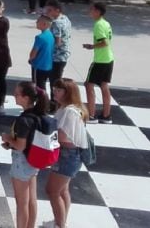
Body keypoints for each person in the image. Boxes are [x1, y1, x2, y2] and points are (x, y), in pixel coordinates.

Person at [1, 82, 49, 228]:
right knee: (31, 199)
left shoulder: (24, 120)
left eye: (17, 94)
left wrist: (7, 138)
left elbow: (20, 146)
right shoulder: (39, 113)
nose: (14, 96)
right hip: (33, 160)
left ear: (26, 98)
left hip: (22, 162)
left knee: (21, 203)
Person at [46, 79, 89, 228]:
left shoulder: (69, 112)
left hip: (67, 155)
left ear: (68, 92)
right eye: (54, 89)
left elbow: (63, 137)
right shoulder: (69, 108)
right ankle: (61, 221)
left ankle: (60, 224)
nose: (54, 92)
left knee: (52, 191)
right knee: (62, 190)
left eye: (58, 90)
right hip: (70, 155)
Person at [83, 2, 114, 123]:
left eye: (92, 9)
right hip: (108, 58)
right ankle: (106, 115)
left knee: (89, 85)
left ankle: (91, 115)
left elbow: (104, 42)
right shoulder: (106, 23)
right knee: (104, 85)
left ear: (97, 12)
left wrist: (92, 46)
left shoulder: (98, 25)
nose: (90, 11)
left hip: (100, 60)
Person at [45, 0, 72, 86]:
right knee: (56, 79)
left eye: (50, 10)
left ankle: (55, 99)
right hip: (64, 53)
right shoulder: (65, 18)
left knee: (54, 82)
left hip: (57, 56)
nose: (47, 12)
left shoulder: (56, 23)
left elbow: (57, 42)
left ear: (57, 10)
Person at [31, 15, 55, 90]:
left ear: (44, 24)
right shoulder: (51, 35)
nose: (36, 22)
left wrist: (31, 59)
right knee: (42, 85)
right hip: (48, 65)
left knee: (38, 87)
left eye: (38, 21)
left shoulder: (40, 37)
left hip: (39, 65)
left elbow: (33, 53)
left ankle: (42, 101)